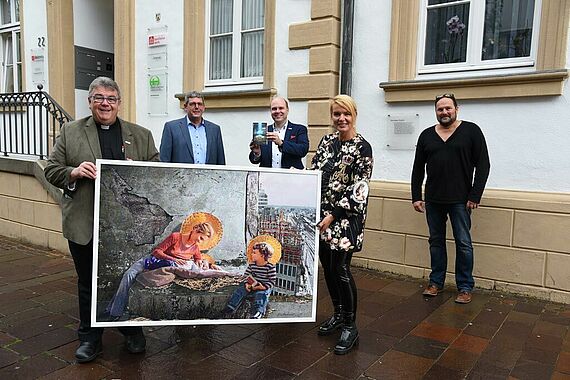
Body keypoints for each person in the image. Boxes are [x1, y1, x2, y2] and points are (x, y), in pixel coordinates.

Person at [44, 76, 159, 363]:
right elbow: (51, 169)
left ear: (119, 103)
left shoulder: (141, 135)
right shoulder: (70, 132)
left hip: (128, 228)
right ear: (90, 102)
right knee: (88, 282)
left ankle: (131, 330)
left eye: (110, 98)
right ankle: (89, 338)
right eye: (99, 98)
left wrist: (140, 171)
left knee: (129, 279)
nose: (105, 103)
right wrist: (73, 172)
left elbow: (158, 172)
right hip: (85, 222)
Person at [411, 93, 490, 304]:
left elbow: (483, 165)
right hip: (434, 199)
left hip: (461, 200)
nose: (444, 112)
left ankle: (464, 287)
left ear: (456, 109)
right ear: (435, 112)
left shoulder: (471, 131)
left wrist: (475, 195)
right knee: (436, 242)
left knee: (463, 243)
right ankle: (436, 282)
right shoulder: (427, 135)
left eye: (448, 108)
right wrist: (416, 196)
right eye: (440, 109)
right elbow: (418, 168)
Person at [311, 95, 373, 355]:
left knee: (341, 269)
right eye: (336, 114)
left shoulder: (363, 148)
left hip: (346, 218)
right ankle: (337, 314)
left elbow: (359, 190)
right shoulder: (326, 142)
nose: (341, 119)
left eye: (345, 114)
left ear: (354, 114)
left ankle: (350, 325)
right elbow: (314, 171)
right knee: (327, 267)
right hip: (323, 217)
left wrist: (332, 216)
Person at [105, 222, 216, 319]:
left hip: (162, 268)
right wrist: (173, 258)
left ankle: (113, 311)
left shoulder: (195, 248)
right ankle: (114, 312)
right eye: (200, 238)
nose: (199, 242)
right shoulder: (176, 237)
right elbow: (157, 252)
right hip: (152, 260)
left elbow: (198, 259)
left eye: (202, 241)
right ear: (196, 230)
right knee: (128, 275)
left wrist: (201, 262)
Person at [160, 91, 225, 164]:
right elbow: (164, 161)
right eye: (192, 104)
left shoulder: (214, 130)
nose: (196, 107)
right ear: (185, 107)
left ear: (203, 108)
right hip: (180, 175)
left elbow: (221, 162)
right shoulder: (171, 128)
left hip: (208, 175)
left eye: (199, 104)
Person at [249, 96, 309, 169]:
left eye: (281, 108)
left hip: (291, 177)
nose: (277, 111)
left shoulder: (299, 129)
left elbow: (303, 150)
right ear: (270, 111)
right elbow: (254, 161)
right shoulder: (263, 130)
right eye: (274, 109)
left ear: (287, 110)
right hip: (268, 178)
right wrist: (257, 153)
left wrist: (281, 143)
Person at [223, 241, 277, 319]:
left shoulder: (270, 267)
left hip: (263, 286)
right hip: (251, 284)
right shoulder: (252, 265)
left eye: (254, 253)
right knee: (239, 290)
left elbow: (272, 281)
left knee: (261, 295)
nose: (252, 254)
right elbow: (246, 276)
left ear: (262, 255)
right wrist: (247, 284)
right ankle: (231, 306)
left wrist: (263, 287)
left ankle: (258, 312)